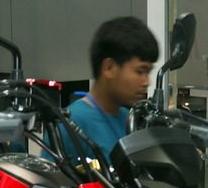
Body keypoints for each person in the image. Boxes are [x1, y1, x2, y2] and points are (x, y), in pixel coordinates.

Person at [51, 16, 159, 162]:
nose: (146, 82)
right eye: (140, 71)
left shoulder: (129, 120)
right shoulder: (71, 124)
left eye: (148, 72)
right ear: (109, 68)